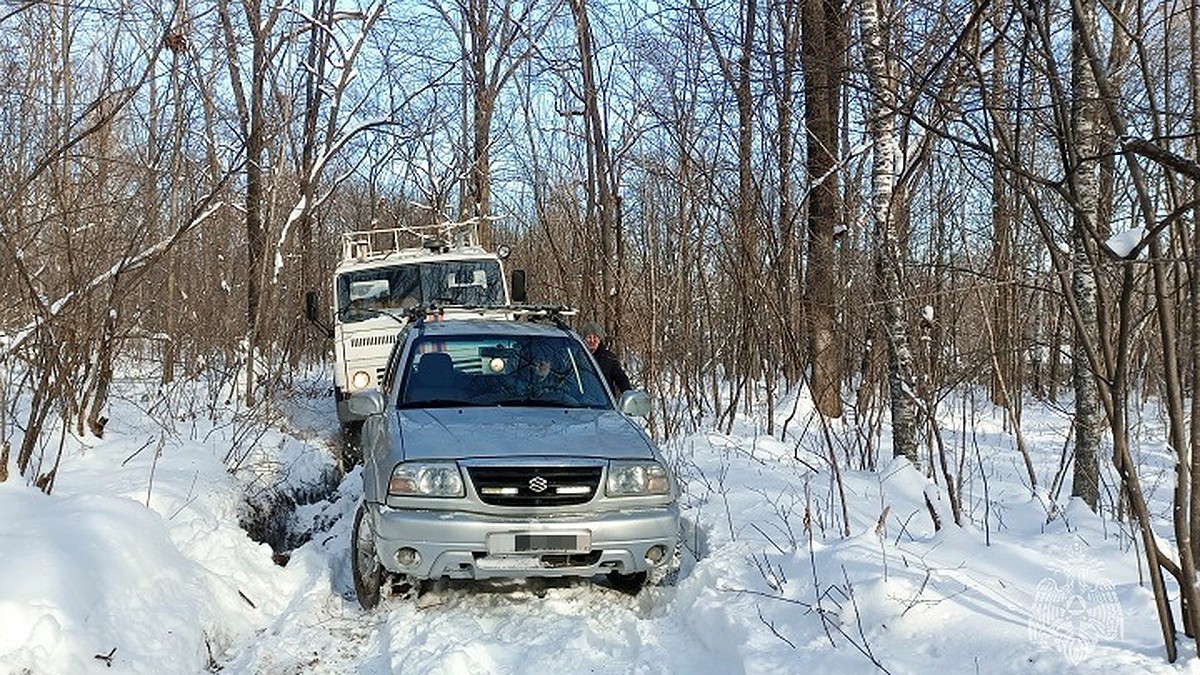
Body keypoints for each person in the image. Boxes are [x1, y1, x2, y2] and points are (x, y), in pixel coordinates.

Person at [580, 321, 631, 396]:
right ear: (584, 339)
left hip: (605, 405)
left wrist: (628, 395)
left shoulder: (609, 358)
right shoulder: (577, 357)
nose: (592, 340)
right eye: (589, 337)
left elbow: (622, 380)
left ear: (600, 339)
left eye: (595, 337)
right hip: (580, 403)